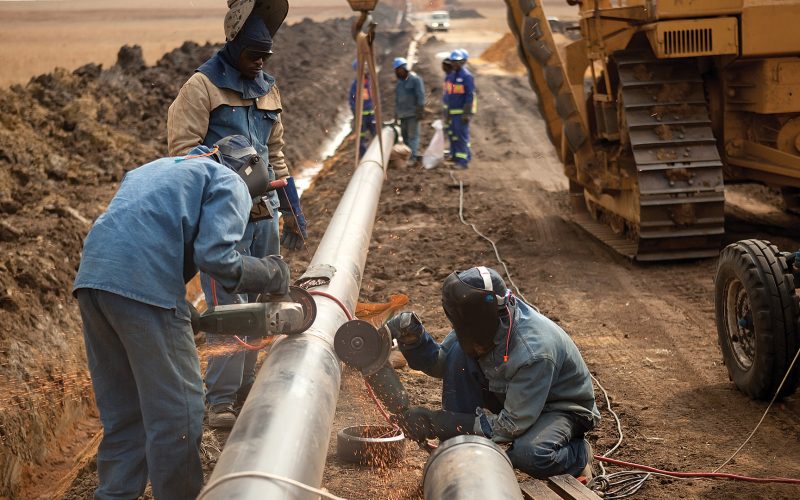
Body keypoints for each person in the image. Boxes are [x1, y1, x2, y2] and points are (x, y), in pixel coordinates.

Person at [73, 135, 292, 499]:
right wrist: (272, 273)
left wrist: (180, 305)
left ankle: (114, 494)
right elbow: (218, 259)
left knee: (125, 413)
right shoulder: (230, 181)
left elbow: (140, 234)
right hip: (143, 286)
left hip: (94, 283)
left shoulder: (157, 169)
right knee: (180, 414)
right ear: (251, 173)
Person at [167, 7, 307, 429]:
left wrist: (294, 212)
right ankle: (221, 400)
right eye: (252, 54)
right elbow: (181, 153)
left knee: (265, 305)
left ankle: (246, 387)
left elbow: (276, 153)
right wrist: (227, 163)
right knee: (229, 308)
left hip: (265, 216)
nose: (260, 62)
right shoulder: (202, 88)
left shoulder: (268, 89)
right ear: (233, 46)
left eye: (265, 55)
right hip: (223, 220)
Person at [386, 266, 600, 480]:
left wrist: (439, 422)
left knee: (530, 455)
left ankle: (579, 455)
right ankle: (460, 452)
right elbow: (443, 363)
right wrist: (414, 339)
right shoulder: (479, 323)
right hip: (514, 393)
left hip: (559, 408)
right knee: (460, 357)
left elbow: (511, 425)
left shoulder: (534, 352)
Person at [444, 49, 476, 169]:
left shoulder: (466, 76)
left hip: (461, 113)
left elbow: (470, 96)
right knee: (454, 136)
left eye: (457, 62)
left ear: (463, 62)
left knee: (462, 137)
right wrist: (446, 113)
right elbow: (448, 95)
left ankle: (463, 162)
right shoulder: (451, 77)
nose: (454, 64)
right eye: (453, 61)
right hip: (451, 113)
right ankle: (455, 157)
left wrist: (466, 113)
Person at [393, 56, 426, 166]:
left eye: (398, 70)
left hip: (412, 114)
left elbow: (420, 95)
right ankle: (407, 156)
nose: (396, 73)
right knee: (405, 136)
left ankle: (413, 157)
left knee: (413, 136)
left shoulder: (415, 79)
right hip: (403, 114)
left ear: (403, 69)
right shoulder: (399, 83)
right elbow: (397, 99)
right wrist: (396, 113)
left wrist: (420, 110)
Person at [349, 60, 377, 158]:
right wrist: (356, 113)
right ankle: (364, 157)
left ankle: (379, 155)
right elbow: (351, 101)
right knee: (360, 138)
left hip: (371, 115)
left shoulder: (370, 83)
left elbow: (376, 97)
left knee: (377, 135)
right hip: (361, 117)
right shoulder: (355, 85)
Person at [440, 57, 455, 160]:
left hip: (453, 111)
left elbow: (453, 96)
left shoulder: (452, 77)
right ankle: (452, 153)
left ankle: (458, 155)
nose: (442, 67)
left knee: (456, 134)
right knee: (450, 133)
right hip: (448, 111)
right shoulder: (447, 77)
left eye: (444, 65)